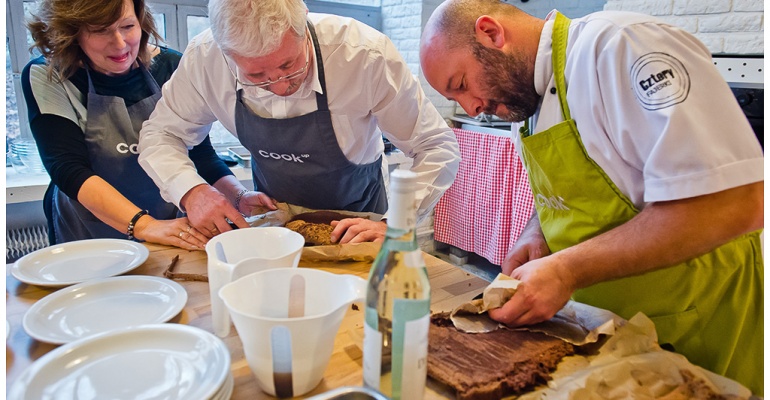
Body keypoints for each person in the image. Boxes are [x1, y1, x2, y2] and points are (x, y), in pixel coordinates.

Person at [420, 0, 763, 395]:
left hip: (697, 320)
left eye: (461, 85)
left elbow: (735, 202)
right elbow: (568, 189)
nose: (472, 109)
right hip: (609, 330)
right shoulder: (525, 98)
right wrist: (538, 232)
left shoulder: (620, 47)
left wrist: (567, 271)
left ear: (492, 34)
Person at [138, 0, 460, 243]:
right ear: (226, 52)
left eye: (290, 65)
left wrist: (394, 224)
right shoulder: (205, 60)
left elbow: (436, 147)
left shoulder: (364, 56)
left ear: (303, 19)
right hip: (277, 230)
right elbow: (160, 135)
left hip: (361, 228)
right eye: (257, 76)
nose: (279, 87)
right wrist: (191, 191)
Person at [22, 0, 240, 250]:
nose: (119, 43)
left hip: (168, 226)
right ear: (72, 32)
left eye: (127, 26)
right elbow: (68, 169)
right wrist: (146, 225)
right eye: (100, 30)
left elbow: (200, 154)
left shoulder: (170, 66)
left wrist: (239, 196)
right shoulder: (49, 75)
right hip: (88, 233)